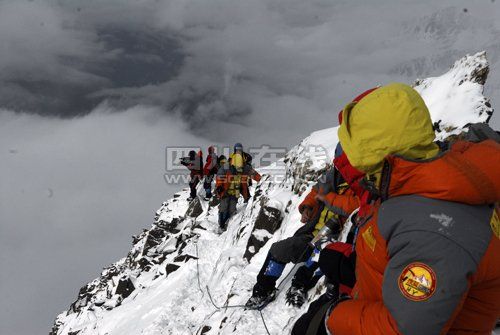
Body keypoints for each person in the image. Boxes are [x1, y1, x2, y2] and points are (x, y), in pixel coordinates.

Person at [323, 83, 500, 335]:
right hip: (380, 302)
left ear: (374, 151)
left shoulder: (434, 230)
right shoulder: (416, 181)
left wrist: (334, 317)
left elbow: (402, 330)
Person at [245, 166, 359, 309]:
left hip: (336, 239)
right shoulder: (332, 175)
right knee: (279, 250)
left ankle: (299, 286)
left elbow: (356, 205)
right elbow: (315, 191)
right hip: (312, 234)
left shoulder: (363, 181)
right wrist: (307, 207)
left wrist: (329, 198)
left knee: (319, 257)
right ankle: (262, 291)